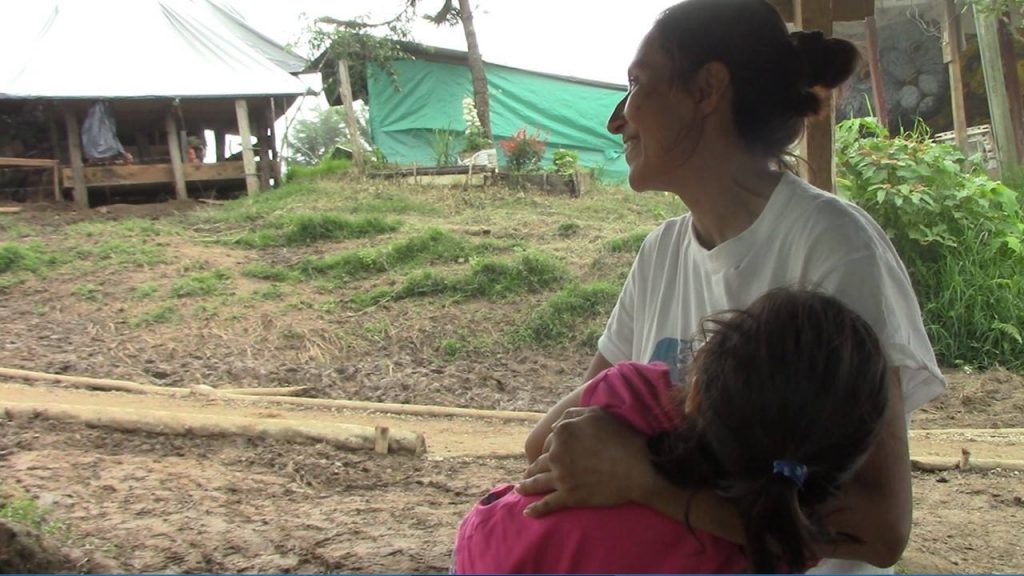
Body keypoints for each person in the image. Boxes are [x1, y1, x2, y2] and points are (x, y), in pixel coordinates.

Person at [515, 0, 945, 573]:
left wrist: (648, 484)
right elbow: (556, 441)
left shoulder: (832, 247)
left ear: (706, 89)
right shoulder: (661, 254)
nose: (617, 119)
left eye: (637, 84)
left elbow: (879, 528)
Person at [453, 290, 890, 574]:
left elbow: (537, 449)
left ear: (697, 390)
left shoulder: (632, 391)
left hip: (492, 554)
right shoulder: (788, 543)